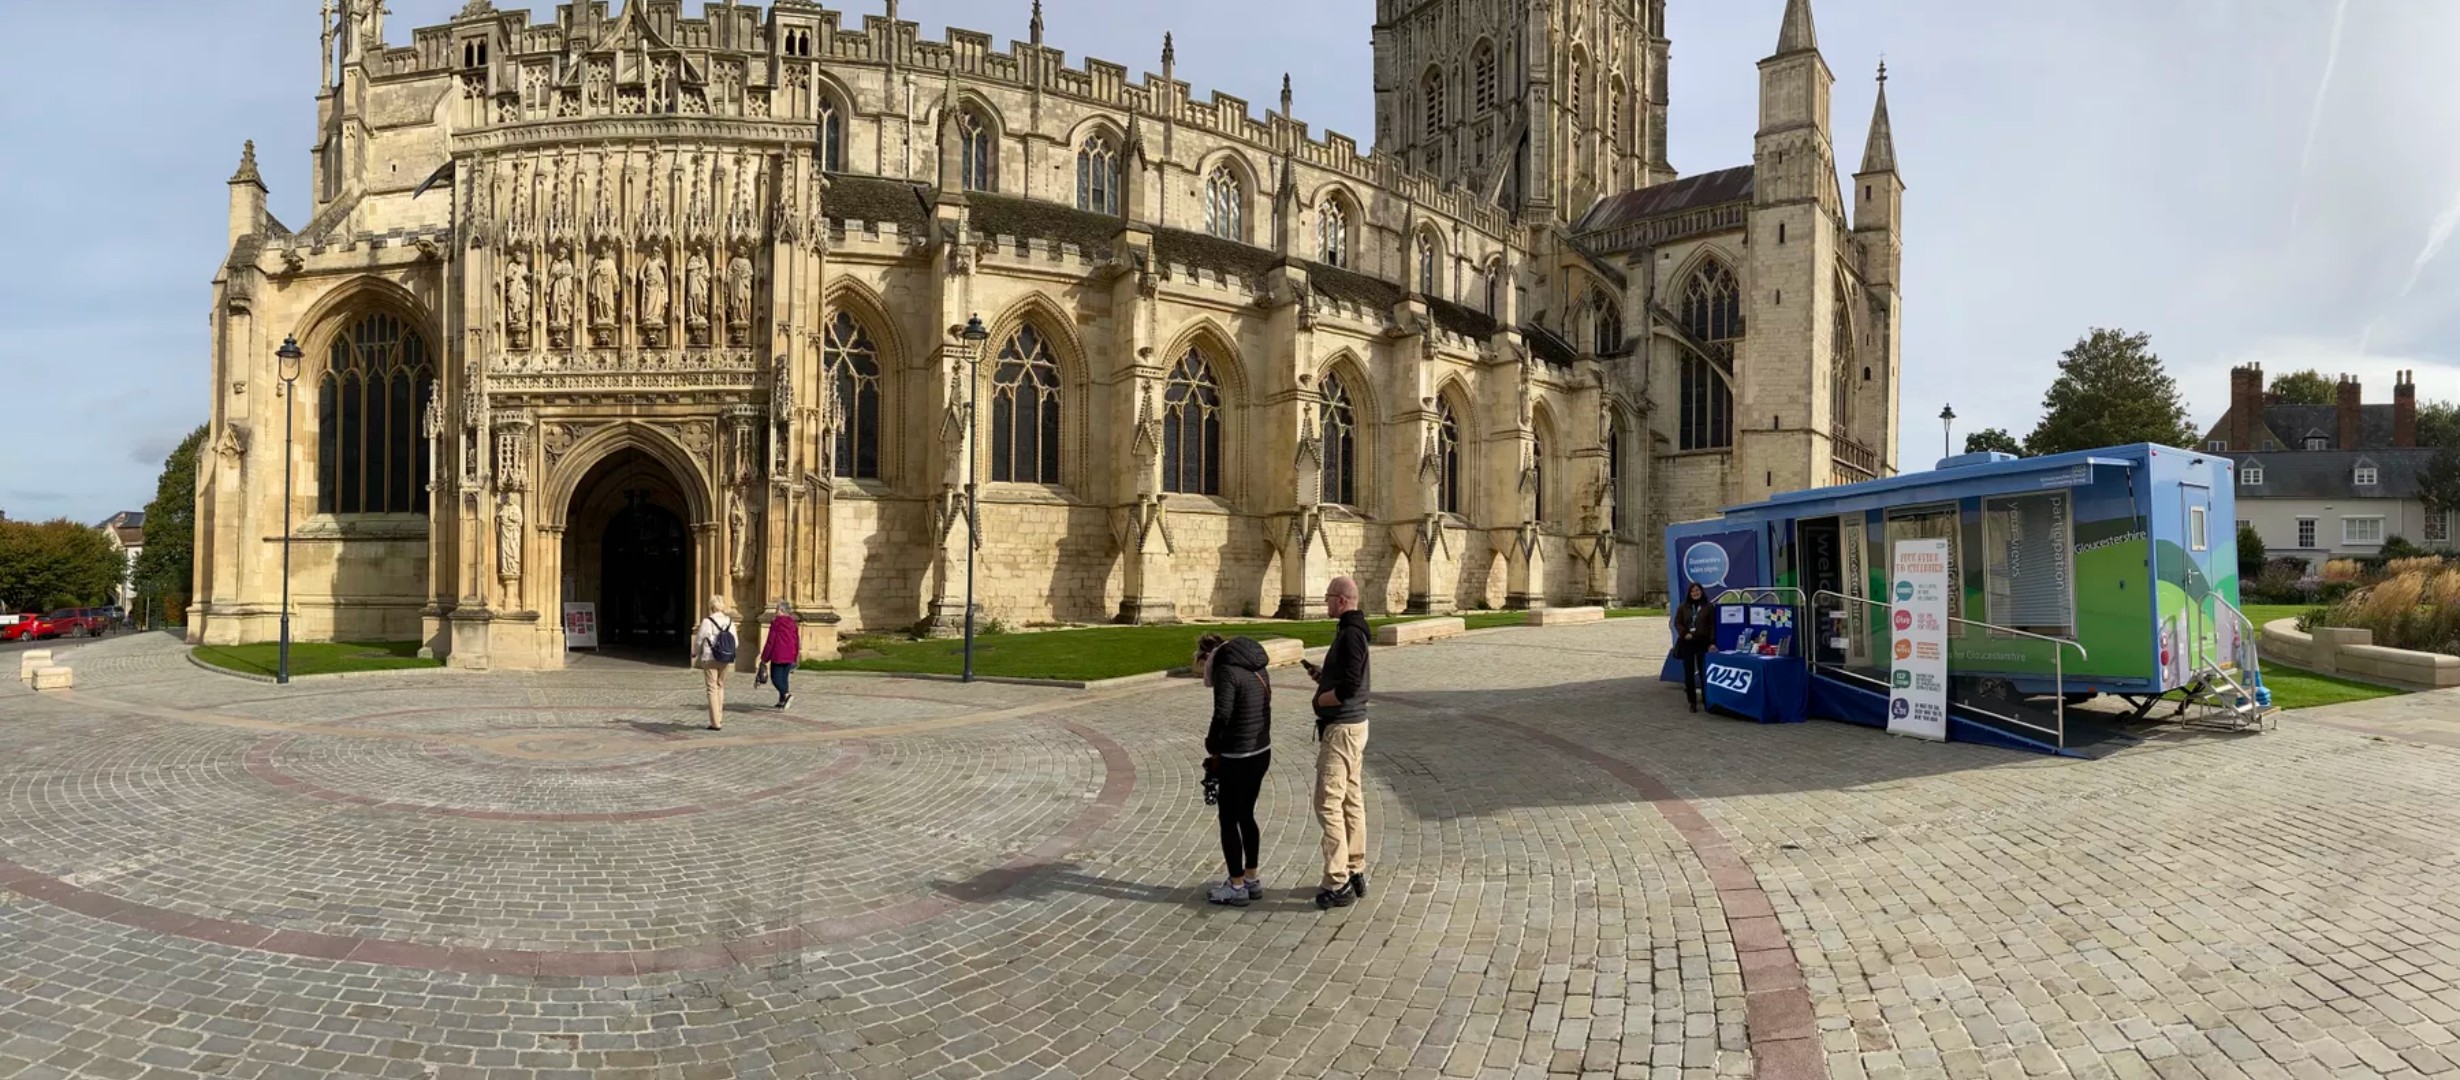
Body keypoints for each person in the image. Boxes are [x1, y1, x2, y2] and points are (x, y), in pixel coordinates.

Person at [1300, 575, 1372, 910]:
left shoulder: (1351, 634)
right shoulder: (1349, 631)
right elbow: (1346, 673)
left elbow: (1352, 683)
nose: (1325, 602)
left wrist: (1326, 699)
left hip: (1342, 728)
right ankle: (1355, 867)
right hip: (1352, 727)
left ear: (1341, 600)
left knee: (1327, 802)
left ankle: (1338, 880)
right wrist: (1321, 676)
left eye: (1328, 597)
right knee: (1350, 799)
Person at [1198, 632, 1274, 906]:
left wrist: (1212, 745)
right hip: (1261, 751)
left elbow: (1222, 713)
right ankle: (1251, 877)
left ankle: (1236, 884)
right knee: (1247, 815)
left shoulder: (1226, 670)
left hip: (1237, 755)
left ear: (1208, 656)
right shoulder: (1256, 664)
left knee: (1229, 819)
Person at [691, 596, 739, 731]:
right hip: (725, 658)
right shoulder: (729, 621)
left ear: (711, 606)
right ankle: (719, 717)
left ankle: (715, 722)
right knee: (720, 686)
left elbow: (699, 640)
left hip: (710, 657)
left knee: (712, 688)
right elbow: (736, 642)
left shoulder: (707, 621)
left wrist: (695, 653)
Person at [1672, 582, 1715, 713]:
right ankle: (1692, 701)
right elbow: (1677, 622)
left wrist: (1712, 641)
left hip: (1703, 641)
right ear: (1690, 593)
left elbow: (1713, 625)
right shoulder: (1683, 607)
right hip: (1688, 642)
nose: (1695, 593)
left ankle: (1706, 698)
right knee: (1689, 672)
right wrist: (1685, 634)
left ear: (1701, 591)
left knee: (1703, 672)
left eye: (1697, 590)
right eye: (1693, 591)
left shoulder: (1708, 606)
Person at [761, 600, 802, 709]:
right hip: (790, 654)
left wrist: (764, 658)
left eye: (777, 609)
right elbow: (796, 640)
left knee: (776, 678)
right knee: (784, 678)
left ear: (782, 610)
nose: (775, 612)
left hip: (778, 655)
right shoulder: (793, 623)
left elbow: (771, 641)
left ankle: (786, 695)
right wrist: (795, 655)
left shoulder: (777, 622)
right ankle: (782, 700)